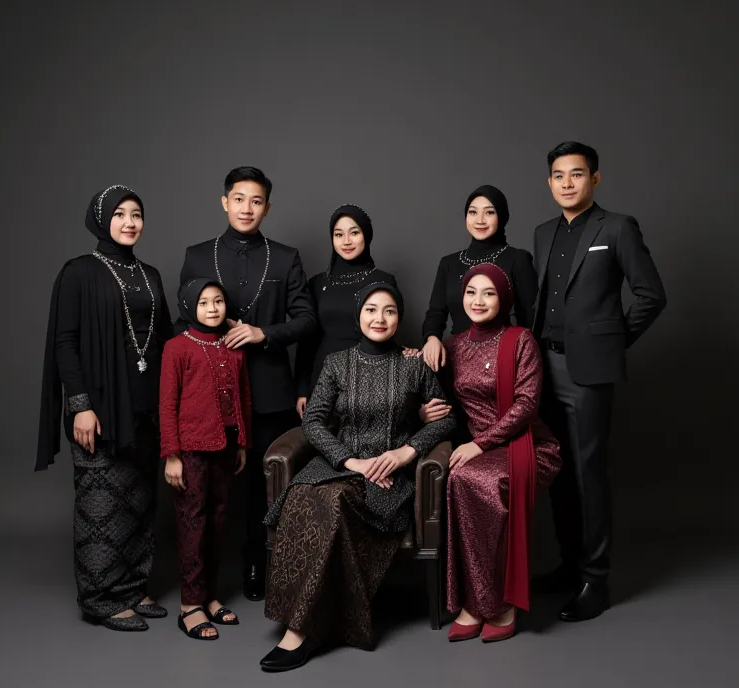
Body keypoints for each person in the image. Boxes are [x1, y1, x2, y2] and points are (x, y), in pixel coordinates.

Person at [260, 283, 456, 673]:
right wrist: (350, 461)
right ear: (359, 316)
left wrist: (405, 453)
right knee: (301, 498)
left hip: (389, 475)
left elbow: (448, 417)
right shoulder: (336, 362)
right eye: (370, 310)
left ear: (399, 317)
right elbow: (314, 422)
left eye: (388, 311)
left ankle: (300, 632)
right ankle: (303, 618)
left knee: (332, 504)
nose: (379, 318)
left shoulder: (413, 364)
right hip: (341, 463)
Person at [532, 141, 667, 621]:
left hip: (587, 371)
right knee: (558, 473)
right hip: (542, 368)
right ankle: (570, 566)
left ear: (595, 179)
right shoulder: (543, 232)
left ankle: (597, 580)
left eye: (577, 174)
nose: (567, 183)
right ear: (549, 183)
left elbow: (651, 294)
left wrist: (610, 343)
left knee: (589, 475)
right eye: (559, 176)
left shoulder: (617, 227)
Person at [37, 185, 174, 631]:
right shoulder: (79, 272)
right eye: (120, 214)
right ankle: (99, 598)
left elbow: (166, 339)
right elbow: (65, 341)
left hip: (145, 405)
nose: (130, 222)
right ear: (101, 220)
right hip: (99, 406)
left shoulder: (150, 275)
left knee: (139, 500)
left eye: (137, 214)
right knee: (100, 505)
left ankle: (133, 588)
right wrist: (80, 406)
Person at [178, 166, 318, 601]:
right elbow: (184, 320)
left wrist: (263, 333)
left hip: (267, 390)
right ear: (225, 202)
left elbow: (307, 319)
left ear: (267, 207)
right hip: (208, 392)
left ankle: (258, 565)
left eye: (256, 201)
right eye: (239, 199)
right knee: (208, 487)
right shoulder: (198, 255)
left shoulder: (285, 256)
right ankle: (203, 580)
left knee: (263, 485)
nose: (246, 209)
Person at [443, 263, 561, 642]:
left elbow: (526, 405)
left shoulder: (520, 339)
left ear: (503, 298)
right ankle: (477, 601)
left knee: (481, 479)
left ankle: (503, 602)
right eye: (471, 292)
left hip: (527, 443)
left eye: (488, 293)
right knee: (461, 477)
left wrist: (478, 443)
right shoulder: (454, 344)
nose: (478, 300)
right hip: (481, 447)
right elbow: (429, 389)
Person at [160, 278, 250, 640]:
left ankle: (210, 596)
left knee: (218, 521)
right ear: (188, 307)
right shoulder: (177, 348)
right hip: (192, 449)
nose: (212, 309)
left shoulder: (235, 348)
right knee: (192, 524)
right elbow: (167, 406)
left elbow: (244, 398)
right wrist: (172, 455)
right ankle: (189, 605)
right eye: (204, 303)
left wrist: (243, 442)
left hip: (226, 447)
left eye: (218, 302)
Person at [294, 204, 398, 417]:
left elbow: (387, 331)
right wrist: (302, 389)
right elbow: (307, 341)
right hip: (322, 377)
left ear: (366, 236)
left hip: (369, 375)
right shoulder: (317, 283)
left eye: (354, 233)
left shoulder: (383, 280)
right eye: (338, 234)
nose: (346, 241)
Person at [421, 185, 538, 373]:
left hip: (502, 357)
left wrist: (525, 358)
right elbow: (436, 312)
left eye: (489, 212)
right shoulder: (449, 263)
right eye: (473, 212)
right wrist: (432, 338)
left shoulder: (517, 258)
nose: (480, 220)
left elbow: (530, 317)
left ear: (502, 217)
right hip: (456, 358)